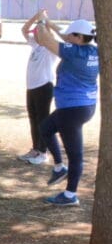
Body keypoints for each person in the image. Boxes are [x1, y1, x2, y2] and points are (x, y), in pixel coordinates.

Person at [34, 15, 99, 206]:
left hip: (72, 109)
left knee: (76, 155)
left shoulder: (74, 53)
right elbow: (63, 38)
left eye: (71, 35)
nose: (67, 37)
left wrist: (41, 22)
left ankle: (70, 195)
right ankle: (59, 167)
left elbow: (45, 40)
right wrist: (51, 23)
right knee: (45, 128)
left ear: (79, 37)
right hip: (83, 106)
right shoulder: (92, 51)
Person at [18, 10, 59, 165]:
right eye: (34, 32)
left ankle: (43, 152)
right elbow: (23, 29)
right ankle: (36, 149)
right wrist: (36, 17)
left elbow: (51, 36)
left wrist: (44, 22)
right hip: (32, 87)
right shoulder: (35, 45)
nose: (35, 35)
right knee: (33, 119)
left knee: (42, 120)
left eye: (38, 32)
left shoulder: (50, 48)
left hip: (44, 87)